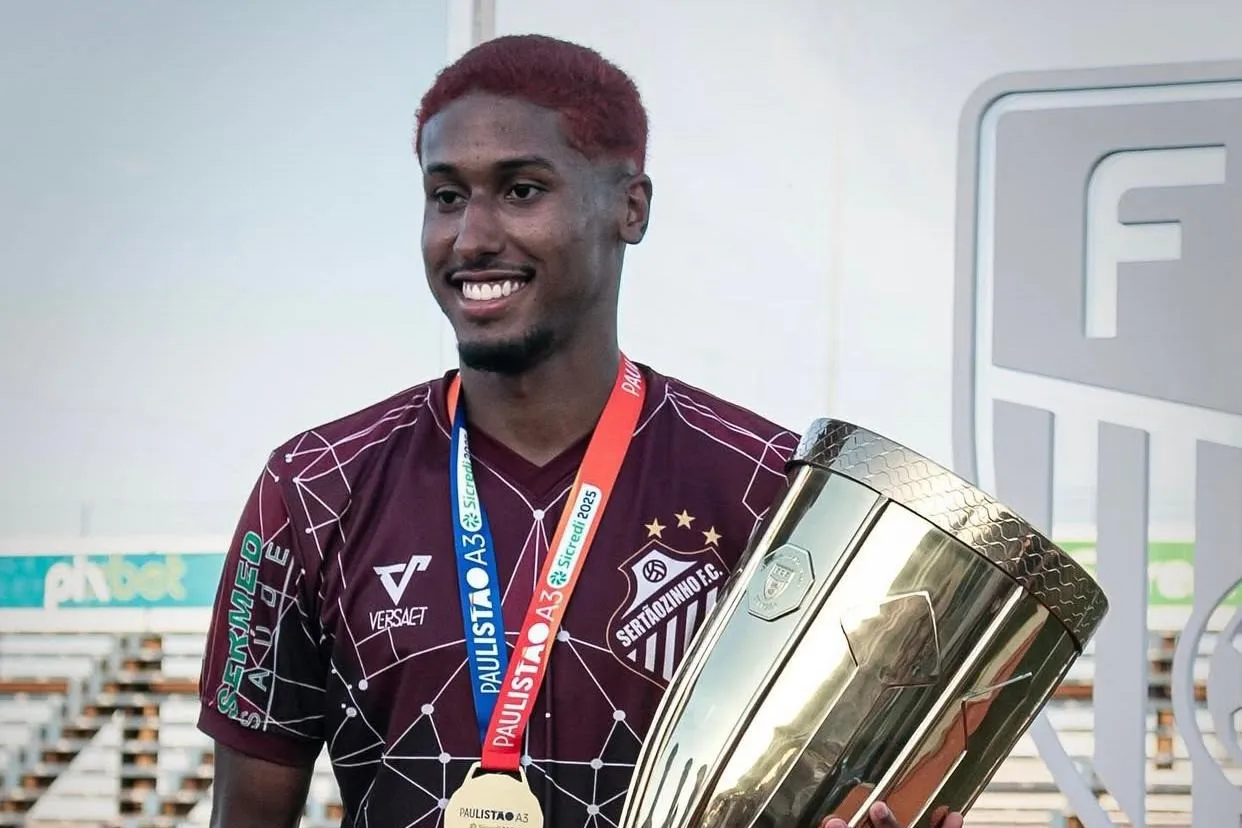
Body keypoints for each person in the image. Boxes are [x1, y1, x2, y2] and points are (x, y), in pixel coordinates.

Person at [195, 33, 966, 828]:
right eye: (446, 196)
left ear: (630, 208)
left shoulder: (773, 494)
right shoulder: (314, 487)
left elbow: (848, 786)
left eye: (521, 190)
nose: (471, 238)